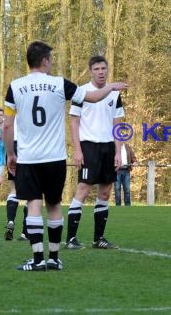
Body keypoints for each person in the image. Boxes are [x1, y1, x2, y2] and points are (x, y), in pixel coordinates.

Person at [3, 41, 127, 271]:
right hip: (55, 157)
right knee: (54, 205)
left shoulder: (15, 86)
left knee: (33, 204)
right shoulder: (60, 84)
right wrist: (110, 88)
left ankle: (37, 259)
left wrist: (11, 154)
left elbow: (7, 126)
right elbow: (92, 97)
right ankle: (54, 258)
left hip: (29, 157)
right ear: (45, 61)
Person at [65, 55, 125, 250]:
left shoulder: (115, 95)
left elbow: (118, 125)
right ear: (91, 71)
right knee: (83, 189)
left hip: (108, 148)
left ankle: (98, 238)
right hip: (88, 146)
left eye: (103, 68)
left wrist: (118, 152)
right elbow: (74, 122)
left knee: (106, 192)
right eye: (97, 69)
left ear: (107, 70)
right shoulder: (81, 92)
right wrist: (77, 150)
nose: (101, 72)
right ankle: (71, 239)